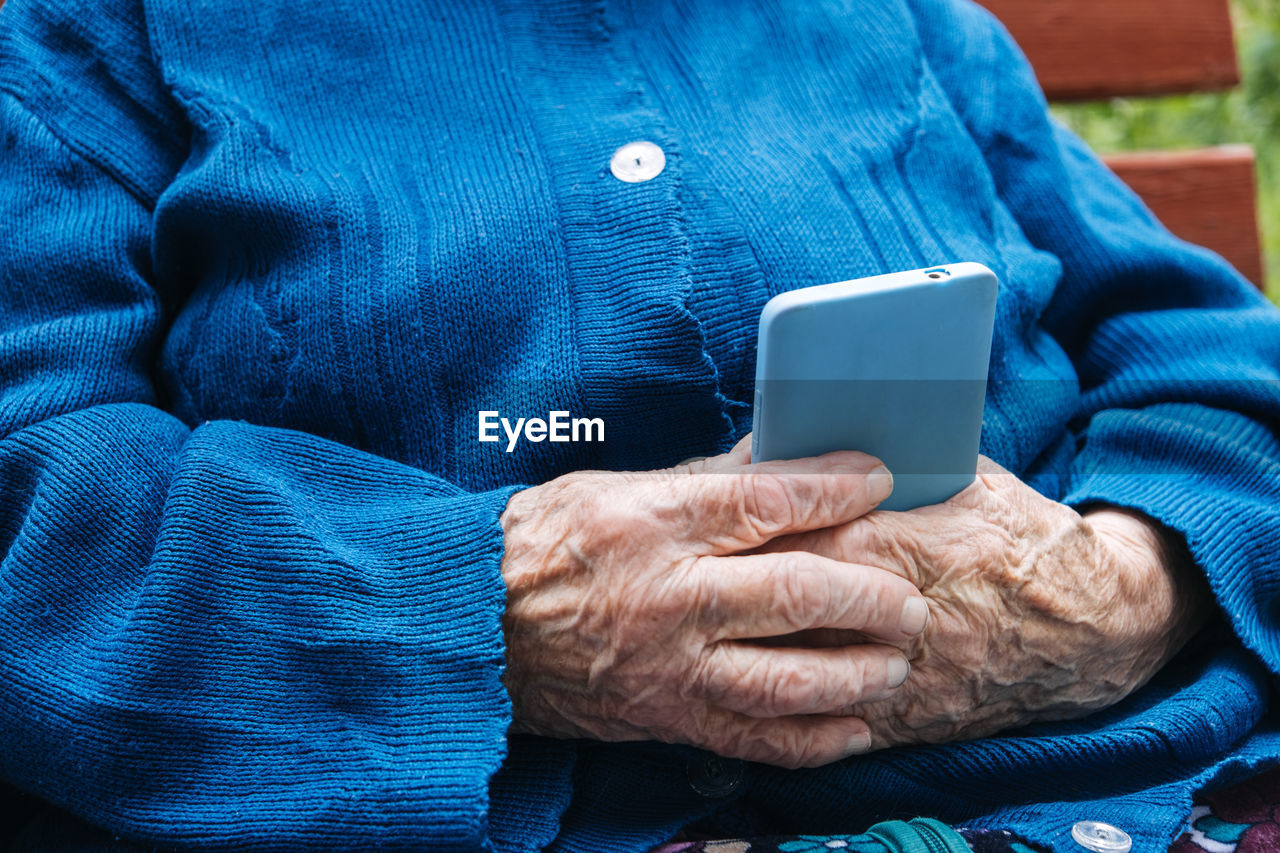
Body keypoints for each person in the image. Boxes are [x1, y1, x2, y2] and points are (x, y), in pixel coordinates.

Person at [1, 0, 1279, 850]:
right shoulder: (85, 37)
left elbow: (1205, 349)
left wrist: (1135, 583)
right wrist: (495, 615)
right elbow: (34, 479)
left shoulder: (898, 16)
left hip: (1123, 790)